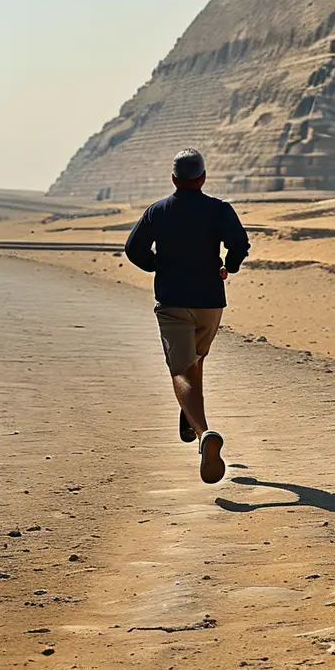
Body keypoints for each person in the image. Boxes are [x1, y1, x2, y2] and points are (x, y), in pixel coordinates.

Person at [124, 148, 250, 483]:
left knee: (181, 370)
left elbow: (133, 249)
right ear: (203, 178)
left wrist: (157, 266)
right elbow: (240, 243)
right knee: (196, 362)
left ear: (174, 179)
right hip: (211, 301)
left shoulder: (158, 211)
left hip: (173, 301)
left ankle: (204, 431)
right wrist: (229, 266)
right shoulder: (219, 209)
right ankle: (193, 422)